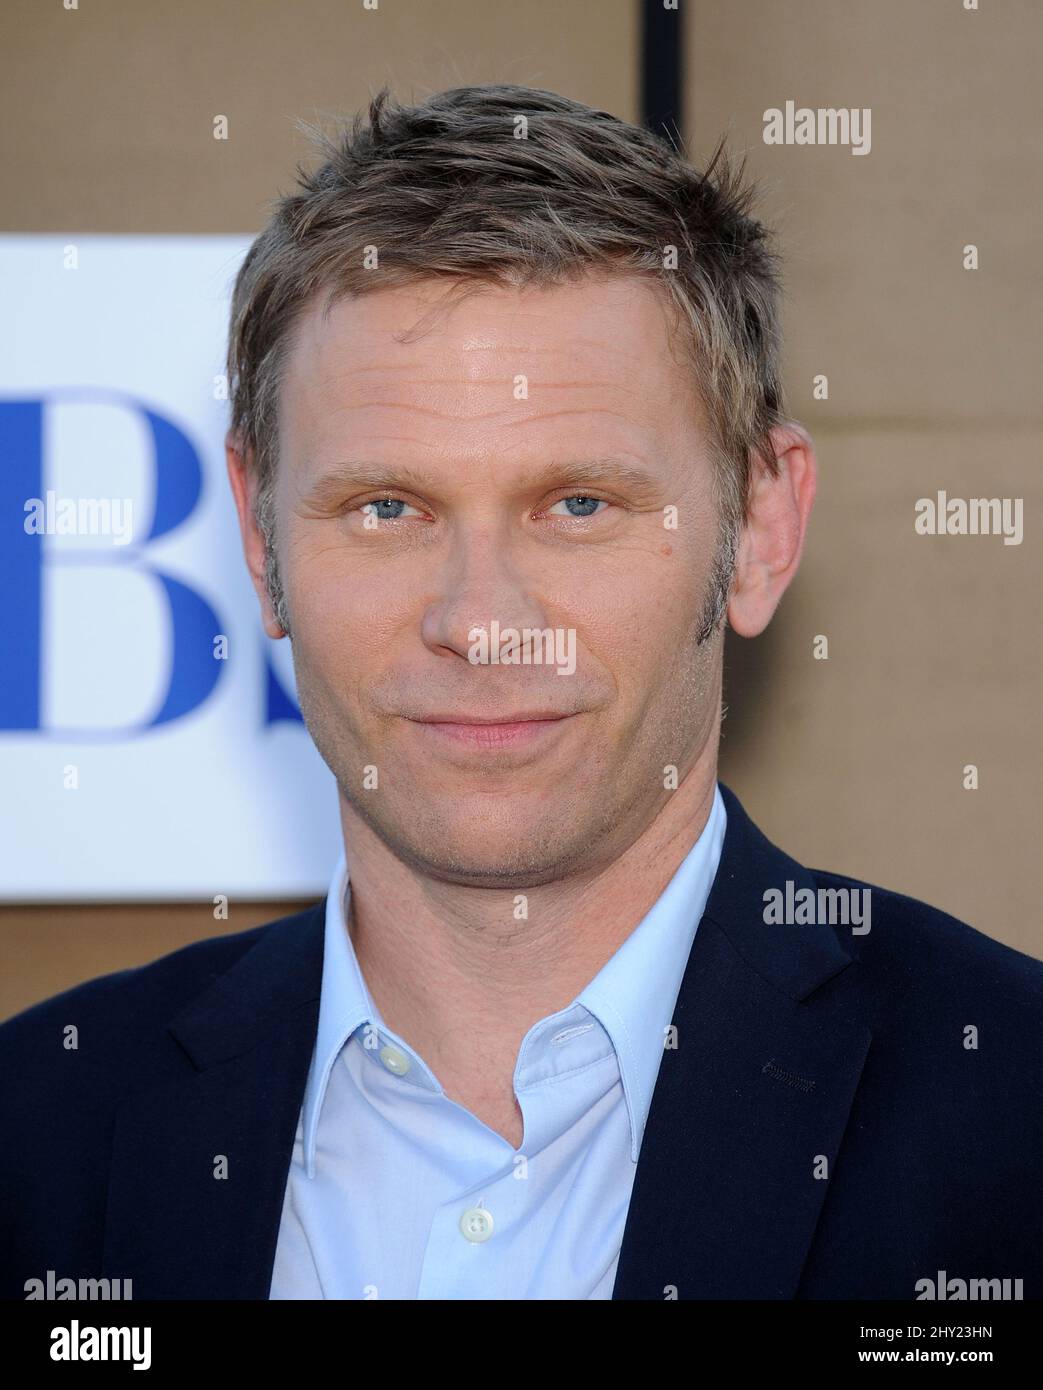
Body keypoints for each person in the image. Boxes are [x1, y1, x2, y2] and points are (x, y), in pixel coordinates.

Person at [2, 84, 1040, 1302]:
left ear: (760, 526)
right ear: (257, 533)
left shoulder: (1009, 1117)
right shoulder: (37, 1136)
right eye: (385, 508)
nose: (481, 624)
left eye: (578, 505)